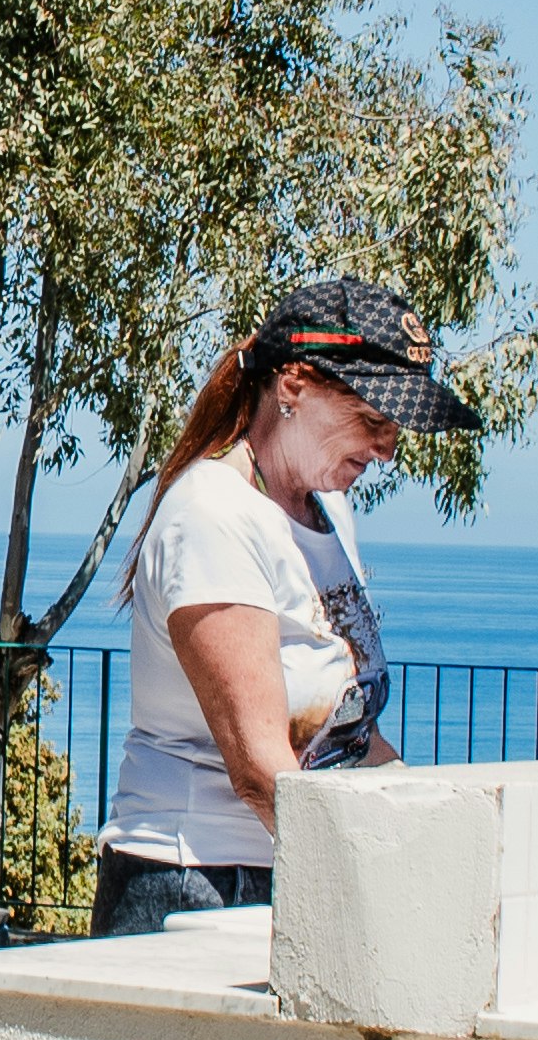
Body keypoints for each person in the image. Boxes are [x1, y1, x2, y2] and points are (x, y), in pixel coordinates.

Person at [95, 273, 486, 937]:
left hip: (285, 865)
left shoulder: (328, 515)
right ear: (295, 386)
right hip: (197, 883)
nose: (389, 448)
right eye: (374, 420)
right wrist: (387, 882)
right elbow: (260, 770)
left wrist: (451, 829)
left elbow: (345, 740)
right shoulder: (213, 514)